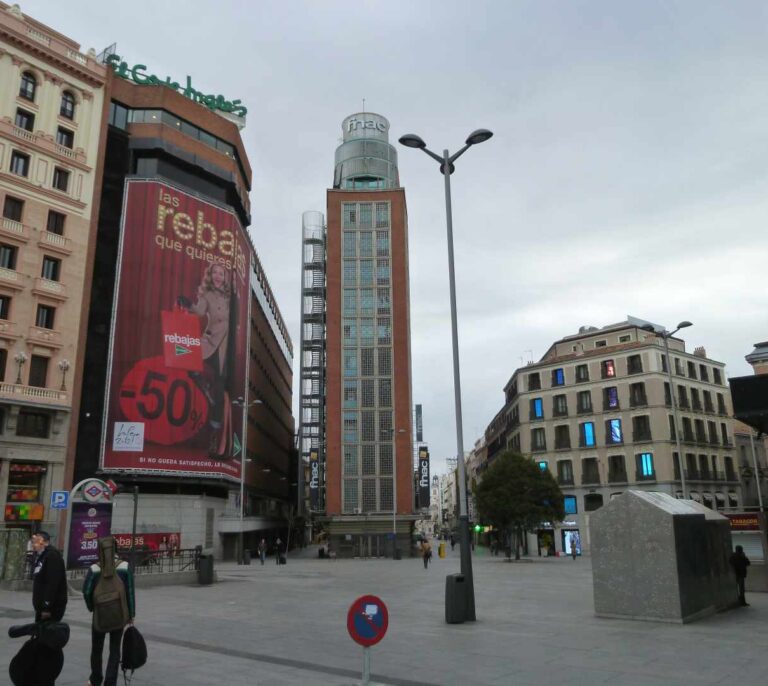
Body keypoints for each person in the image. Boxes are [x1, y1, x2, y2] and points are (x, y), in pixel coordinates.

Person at [178, 262, 233, 458]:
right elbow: (200, 312)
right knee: (190, 366)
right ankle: (205, 391)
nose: (218, 276)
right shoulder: (206, 295)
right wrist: (188, 304)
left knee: (220, 385)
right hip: (209, 339)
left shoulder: (231, 296)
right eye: (215, 273)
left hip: (225, 345)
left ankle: (215, 431)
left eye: (222, 273)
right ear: (211, 276)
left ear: (225, 277)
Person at [83, 536, 136, 686]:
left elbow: (86, 591)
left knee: (96, 648)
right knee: (115, 649)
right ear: (116, 549)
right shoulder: (125, 567)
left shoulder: (94, 568)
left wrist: (92, 607)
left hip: (99, 616)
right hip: (119, 615)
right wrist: (131, 615)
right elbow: (130, 592)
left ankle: (95, 678)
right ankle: (110, 682)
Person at [31, 531, 67, 624]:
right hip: (42, 606)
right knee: (40, 633)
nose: (33, 544)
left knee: (47, 635)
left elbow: (52, 583)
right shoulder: (41, 555)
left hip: (51, 608)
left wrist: (47, 607)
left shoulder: (52, 556)